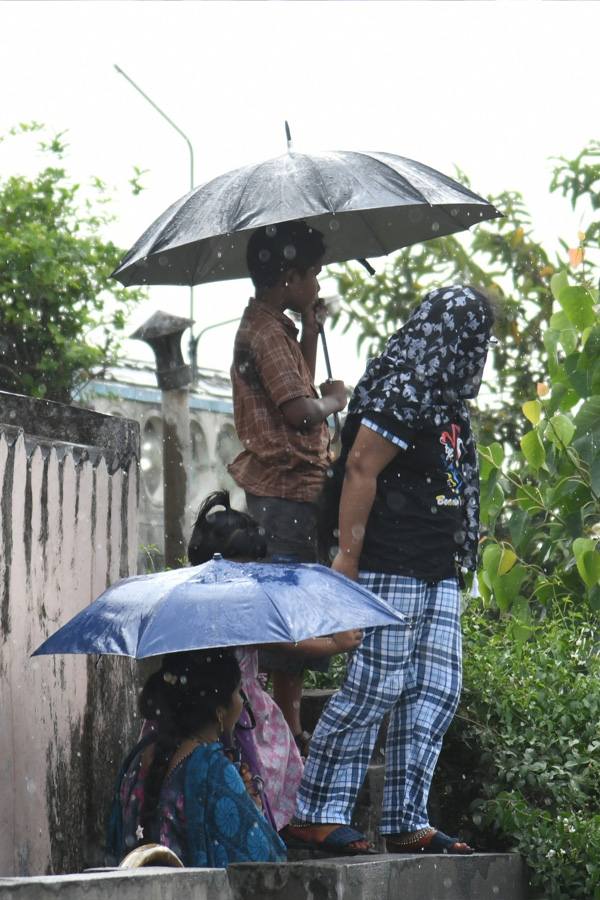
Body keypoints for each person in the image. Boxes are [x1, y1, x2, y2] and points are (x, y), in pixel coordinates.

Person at [285, 285, 495, 855]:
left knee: (436, 689)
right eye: (475, 336)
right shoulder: (404, 386)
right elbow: (359, 466)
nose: (480, 349)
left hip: (437, 567)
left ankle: (406, 818)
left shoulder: (446, 398)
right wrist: (347, 559)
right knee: (377, 685)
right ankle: (317, 811)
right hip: (390, 559)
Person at [228, 220, 348, 746]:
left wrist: (312, 328)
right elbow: (300, 411)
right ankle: (280, 733)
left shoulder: (274, 327)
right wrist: (335, 402)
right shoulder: (266, 333)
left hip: (291, 490)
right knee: (283, 615)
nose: (318, 284)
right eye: (313, 274)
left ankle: (287, 726)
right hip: (282, 490)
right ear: (288, 276)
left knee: (291, 606)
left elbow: (295, 382)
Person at [187, 489, 362, 832]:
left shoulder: (195, 598)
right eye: (246, 567)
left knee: (250, 769)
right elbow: (283, 644)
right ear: (219, 562)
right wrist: (333, 644)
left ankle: (255, 822)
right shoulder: (228, 607)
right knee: (259, 765)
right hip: (235, 709)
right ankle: (264, 824)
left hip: (214, 705)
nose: (251, 575)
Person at [106, 649, 287, 867]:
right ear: (220, 709)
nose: (242, 704)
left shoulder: (139, 757)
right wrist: (254, 812)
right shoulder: (213, 770)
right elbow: (265, 861)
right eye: (239, 693)